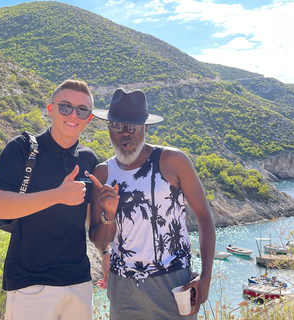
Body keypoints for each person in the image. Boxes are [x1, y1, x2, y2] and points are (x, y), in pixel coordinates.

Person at [88, 88, 216, 319]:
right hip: (122, 287)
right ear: (109, 129)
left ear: (145, 128)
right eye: (118, 126)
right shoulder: (103, 173)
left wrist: (205, 278)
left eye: (133, 127)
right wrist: (109, 215)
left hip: (174, 283)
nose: (126, 134)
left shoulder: (173, 161)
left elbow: (205, 217)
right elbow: (98, 240)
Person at [0, 79, 99, 320]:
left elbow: (93, 219)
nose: (73, 115)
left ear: (89, 119)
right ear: (51, 109)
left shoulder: (89, 159)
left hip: (79, 283)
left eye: (82, 110)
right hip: (30, 284)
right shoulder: (22, 148)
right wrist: (57, 195)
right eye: (65, 107)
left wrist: (108, 252)